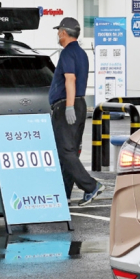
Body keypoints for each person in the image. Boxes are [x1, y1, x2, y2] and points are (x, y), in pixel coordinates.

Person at [49, 17, 104, 206]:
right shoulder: (81, 53)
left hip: (68, 105)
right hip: (79, 104)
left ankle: (90, 186)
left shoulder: (67, 53)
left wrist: (69, 106)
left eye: (58, 31)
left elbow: (70, 79)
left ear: (64, 32)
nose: (57, 34)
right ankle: (64, 194)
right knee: (69, 151)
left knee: (65, 152)